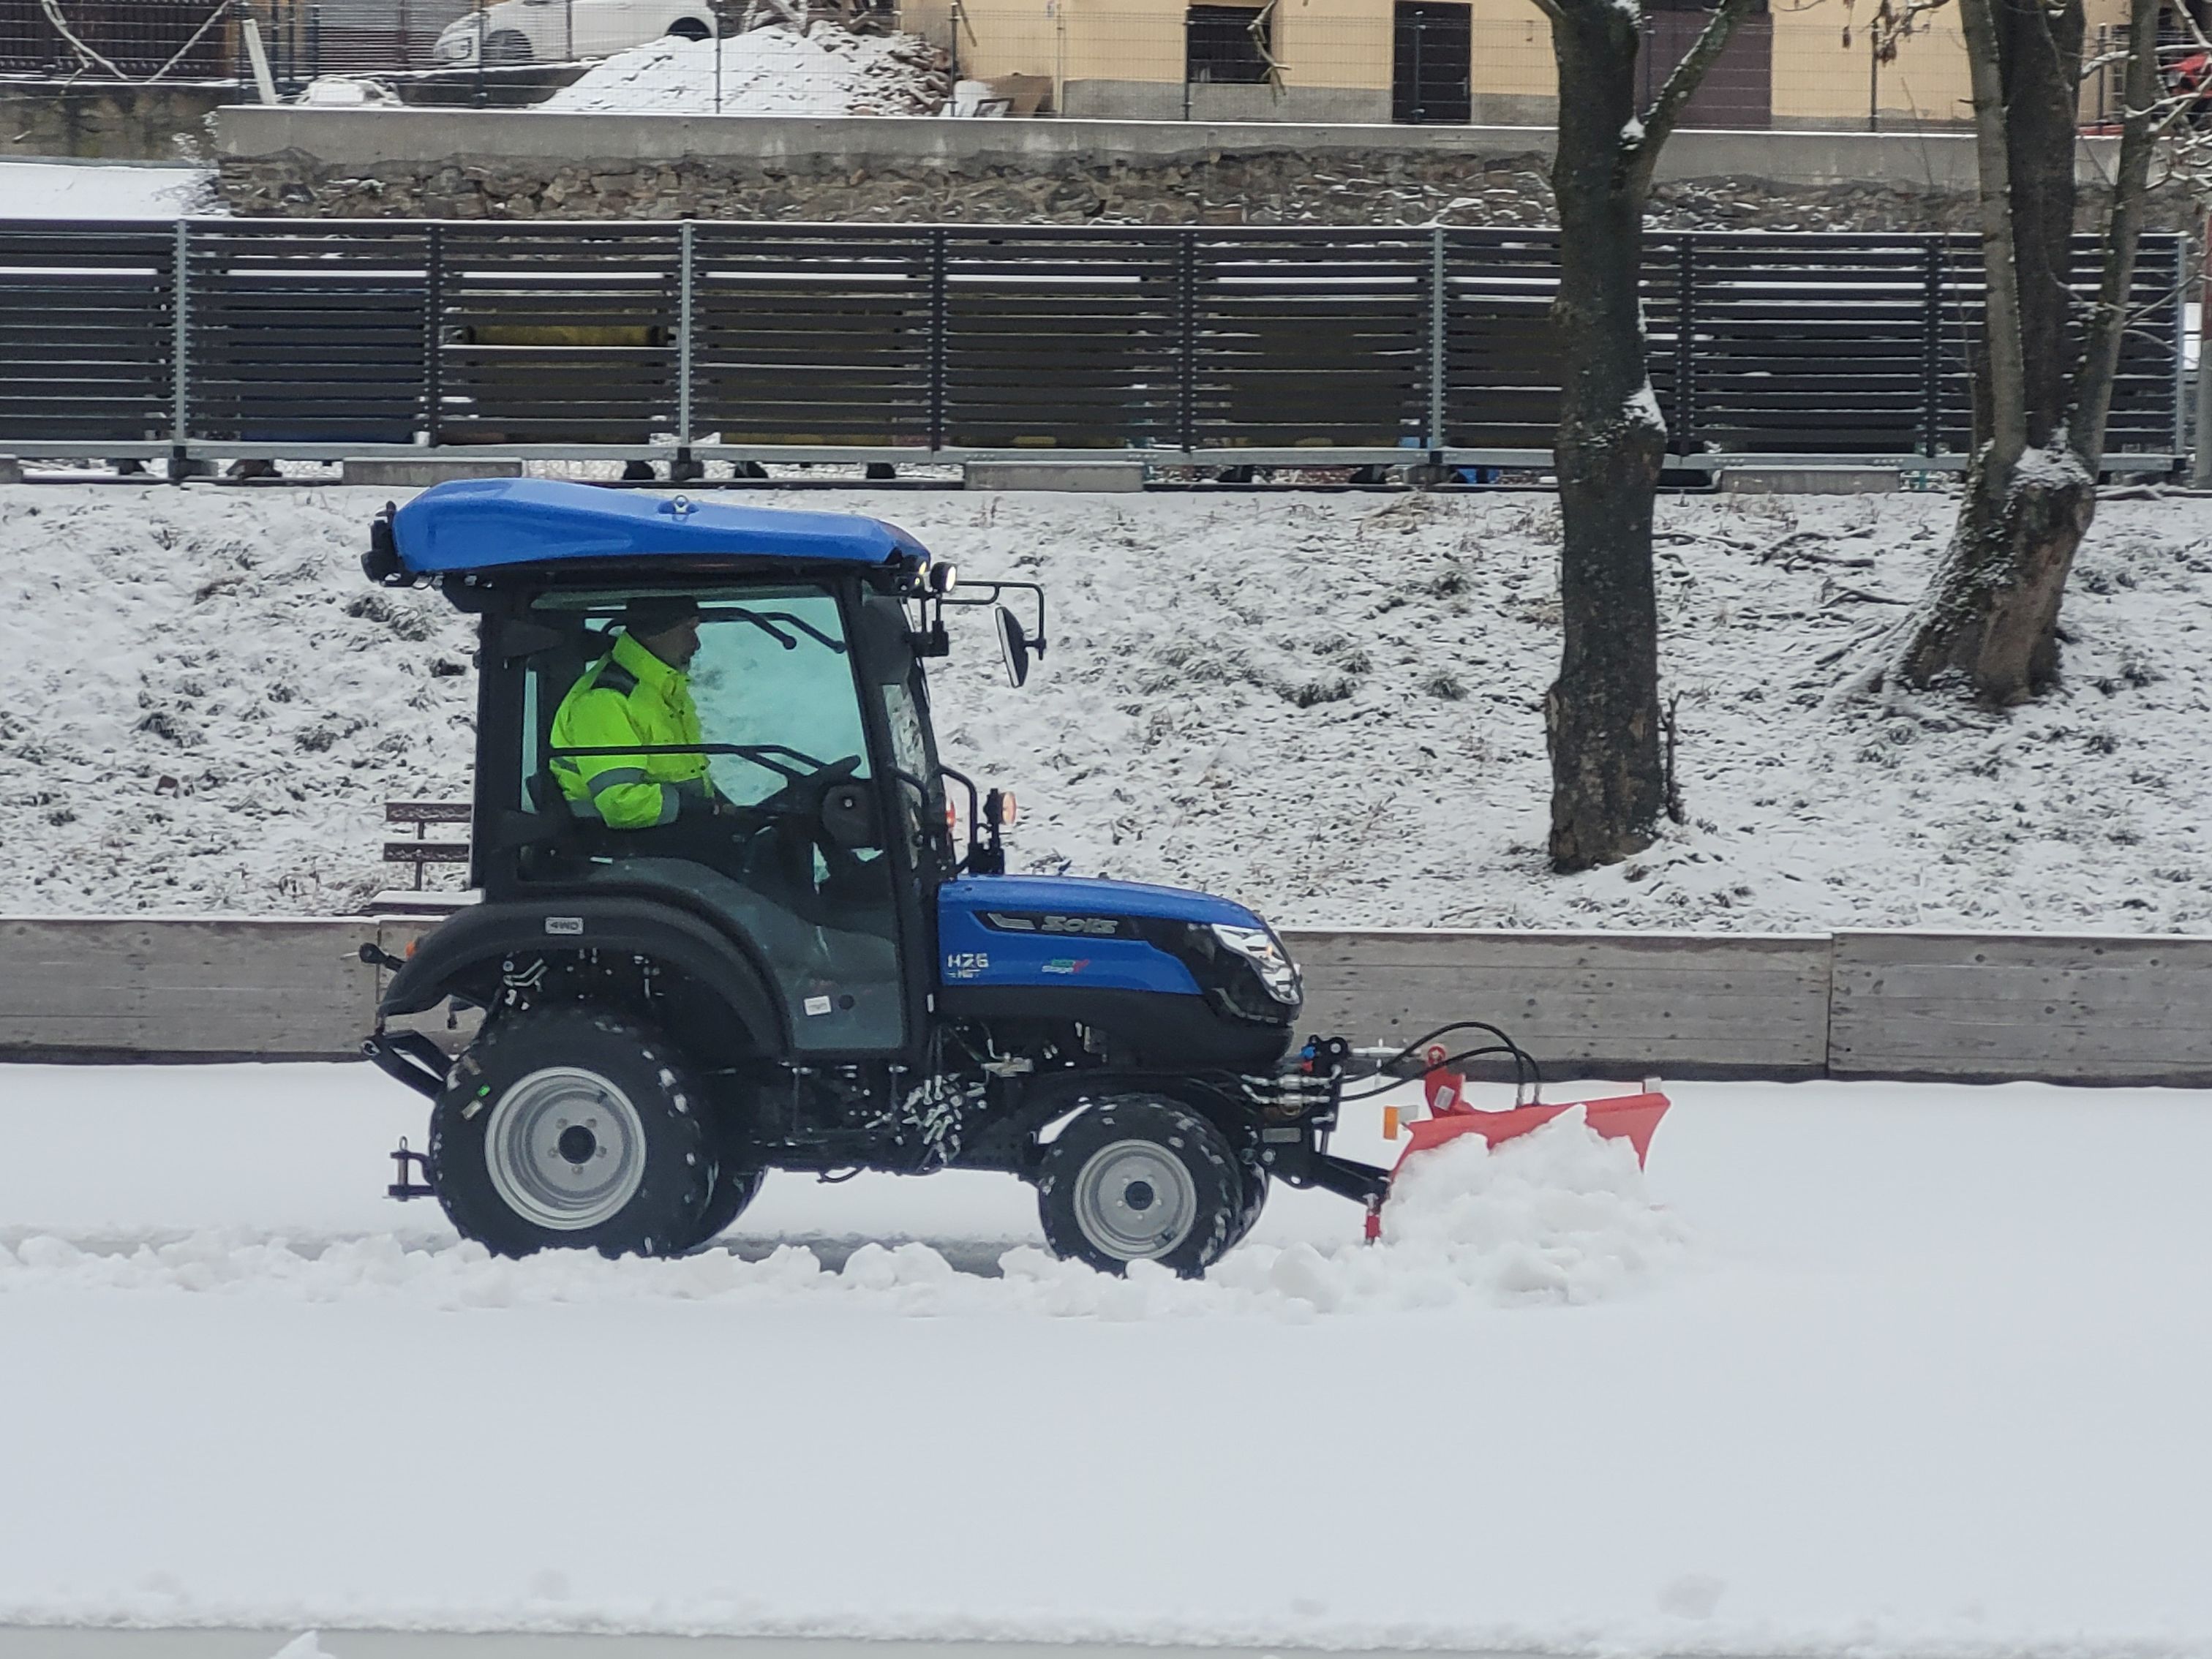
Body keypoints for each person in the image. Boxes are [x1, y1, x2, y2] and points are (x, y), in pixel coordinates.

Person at [550, 595, 728, 829]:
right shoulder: (606, 700)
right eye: (688, 630)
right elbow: (621, 804)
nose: (696, 644)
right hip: (622, 840)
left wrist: (723, 808)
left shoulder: (661, 688)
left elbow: (688, 774)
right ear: (657, 631)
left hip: (674, 829)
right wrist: (704, 809)